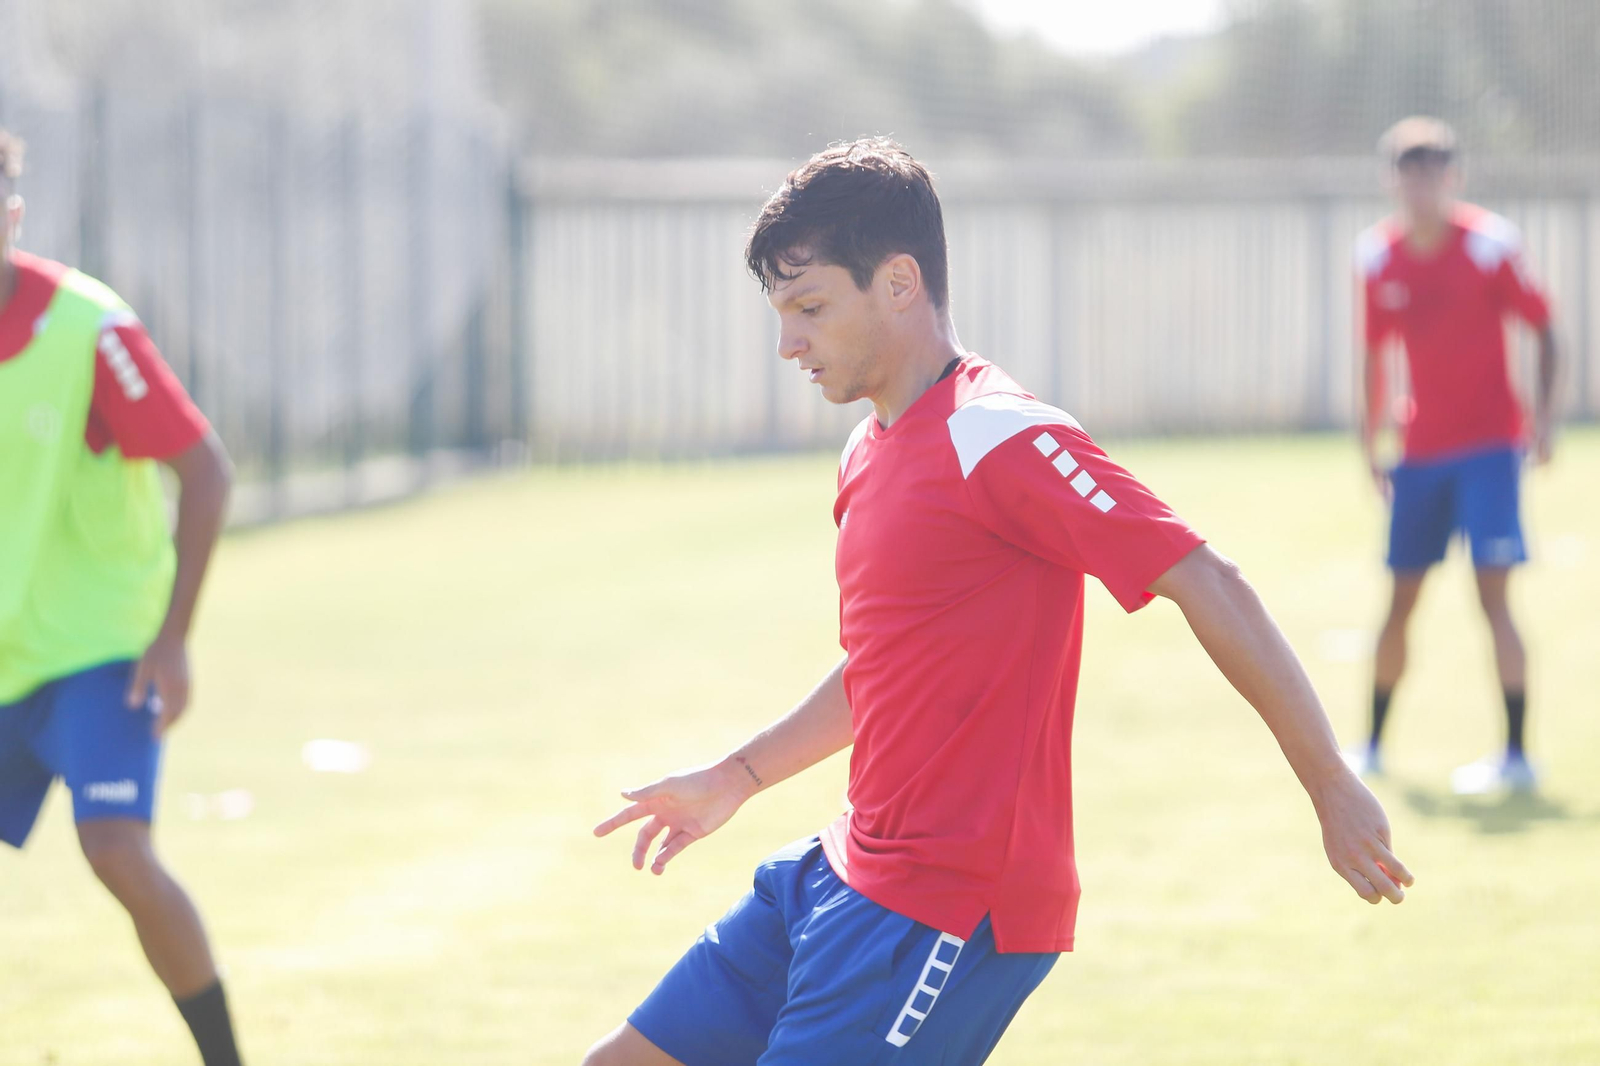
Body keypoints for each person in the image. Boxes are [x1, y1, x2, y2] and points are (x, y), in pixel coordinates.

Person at [585, 138, 1412, 1066]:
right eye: (782, 314)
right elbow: (887, 666)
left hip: (945, 907)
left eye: (809, 307)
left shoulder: (999, 434)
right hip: (840, 868)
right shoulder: (869, 449)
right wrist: (734, 778)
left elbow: (1205, 577)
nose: (788, 342)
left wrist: (1329, 782)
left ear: (899, 282)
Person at [0, 127, 244, 1066]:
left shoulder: (86, 327)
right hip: (8, 651)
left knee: (115, 850)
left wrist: (172, 640)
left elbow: (207, 474)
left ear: (13, 217)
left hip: (101, 648)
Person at [1351, 116, 1559, 793]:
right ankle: (1374, 746)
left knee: (1493, 600)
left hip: (1491, 450)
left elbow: (1546, 331)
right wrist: (1371, 437)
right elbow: (1375, 355)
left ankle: (1518, 756)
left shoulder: (1491, 246)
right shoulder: (1377, 257)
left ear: (1453, 178)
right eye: (1408, 174)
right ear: (1392, 182)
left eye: (1433, 173)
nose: (1420, 187)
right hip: (1420, 453)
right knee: (1400, 601)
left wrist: (1546, 424)